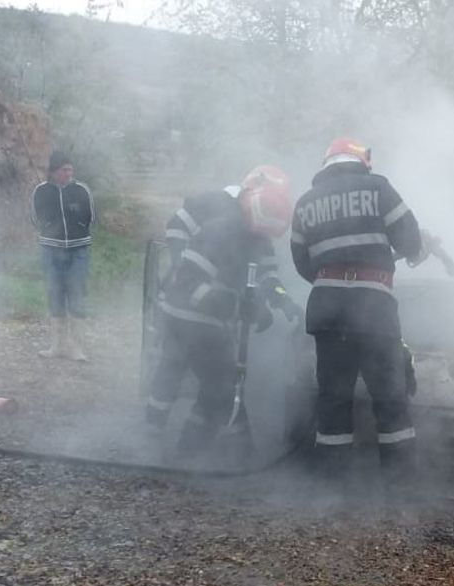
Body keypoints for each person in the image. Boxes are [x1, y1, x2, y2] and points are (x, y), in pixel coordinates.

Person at [290, 137, 429, 480]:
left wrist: (333, 279)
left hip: (326, 309)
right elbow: (410, 241)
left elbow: (301, 262)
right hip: (374, 309)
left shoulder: (305, 203)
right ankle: (399, 481)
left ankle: (331, 481)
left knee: (333, 397)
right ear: (360, 162)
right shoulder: (378, 188)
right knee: (389, 395)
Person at [146, 180, 298, 461]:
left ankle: (184, 444)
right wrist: (235, 304)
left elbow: (264, 277)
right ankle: (188, 449)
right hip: (190, 317)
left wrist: (277, 302)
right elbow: (189, 281)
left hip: (204, 320)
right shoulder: (220, 230)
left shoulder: (255, 237)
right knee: (217, 384)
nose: (265, 237)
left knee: (218, 383)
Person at [31, 150, 95, 361]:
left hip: (78, 250)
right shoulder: (41, 191)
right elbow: (34, 218)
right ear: (53, 172)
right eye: (64, 170)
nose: (68, 173)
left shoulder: (81, 190)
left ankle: (75, 347)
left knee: (76, 294)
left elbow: (90, 217)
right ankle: (57, 346)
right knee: (55, 295)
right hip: (50, 250)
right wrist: (49, 226)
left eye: (70, 169)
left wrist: (76, 225)